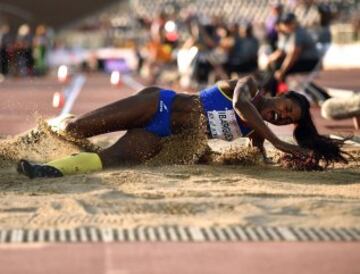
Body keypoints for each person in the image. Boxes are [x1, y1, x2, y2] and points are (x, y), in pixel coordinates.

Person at [17, 75, 347, 178]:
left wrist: (297, 156)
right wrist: (282, 142)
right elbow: (241, 108)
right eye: (285, 109)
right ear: (280, 95)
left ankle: (46, 170)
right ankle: (26, 141)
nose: (282, 117)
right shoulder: (249, 87)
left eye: (288, 120)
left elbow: (256, 155)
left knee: (112, 160)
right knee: (75, 129)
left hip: (161, 134)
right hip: (155, 104)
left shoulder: (257, 132)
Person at [265, 12, 320, 96]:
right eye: (285, 23)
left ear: (295, 22)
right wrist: (270, 59)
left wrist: (282, 71)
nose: (287, 25)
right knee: (275, 67)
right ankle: (272, 93)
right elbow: (282, 52)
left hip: (309, 62)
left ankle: (272, 95)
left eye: (289, 23)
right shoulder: (291, 33)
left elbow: (293, 54)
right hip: (304, 61)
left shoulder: (298, 32)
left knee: (277, 69)